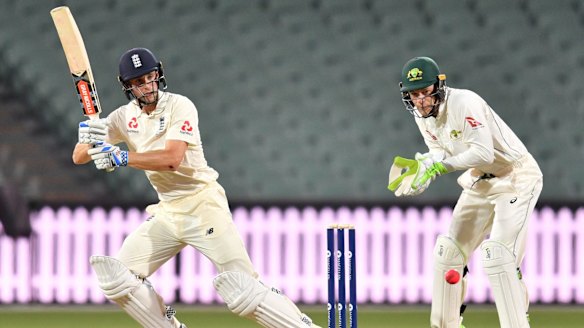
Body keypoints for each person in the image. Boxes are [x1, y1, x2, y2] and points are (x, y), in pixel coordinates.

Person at [73, 47, 320, 328]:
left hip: (203, 206)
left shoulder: (180, 106)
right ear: (128, 86)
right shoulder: (121, 118)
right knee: (116, 277)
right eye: (139, 82)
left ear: (159, 74)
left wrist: (121, 156)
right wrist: (89, 137)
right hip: (168, 211)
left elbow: (172, 160)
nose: (147, 85)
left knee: (243, 291)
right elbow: (78, 157)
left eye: (151, 77)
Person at [387, 57, 542, 328]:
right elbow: (439, 151)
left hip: (516, 176)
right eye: (415, 94)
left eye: (426, 92)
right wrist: (425, 166)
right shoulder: (422, 117)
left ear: (439, 86)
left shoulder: (464, 102)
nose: (422, 100)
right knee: (448, 252)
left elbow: (484, 152)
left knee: (499, 256)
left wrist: (438, 167)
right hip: (480, 180)